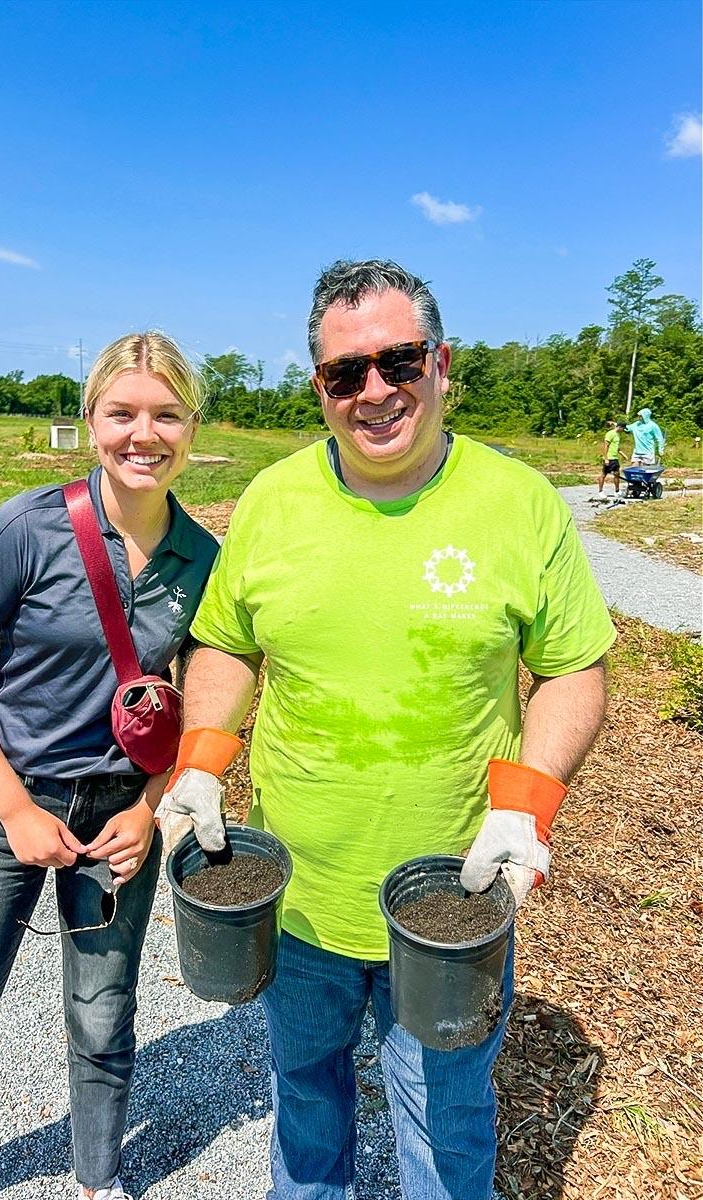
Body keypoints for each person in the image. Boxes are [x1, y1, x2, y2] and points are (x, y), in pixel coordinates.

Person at [156, 260, 615, 1200]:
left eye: (398, 361)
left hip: (452, 898)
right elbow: (227, 646)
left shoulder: (519, 502)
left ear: (441, 364)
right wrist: (200, 765)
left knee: (444, 1122)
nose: (374, 391)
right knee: (308, 1103)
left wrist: (524, 809)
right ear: (319, 387)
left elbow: (573, 667)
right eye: (344, 373)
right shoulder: (273, 502)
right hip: (297, 894)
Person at [0, 333, 218, 1200]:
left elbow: (188, 708)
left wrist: (150, 808)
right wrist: (16, 811)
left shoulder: (205, 562)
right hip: (5, 803)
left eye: (166, 414)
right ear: (90, 419)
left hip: (118, 819)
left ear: (193, 425)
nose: (145, 434)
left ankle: (97, 1181)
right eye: (123, 412)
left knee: (102, 1015)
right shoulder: (28, 528)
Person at [596, 419, 625, 496]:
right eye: (623, 428)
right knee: (603, 474)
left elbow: (616, 447)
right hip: (609, 458)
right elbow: (606, 446)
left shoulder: (618, 435)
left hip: (615, 458)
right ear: (620, 427)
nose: (623, 430)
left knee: (616, 474)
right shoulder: (610, 434)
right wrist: (606, 458)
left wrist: (623, 454)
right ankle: (600, 491)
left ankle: (617, 491)